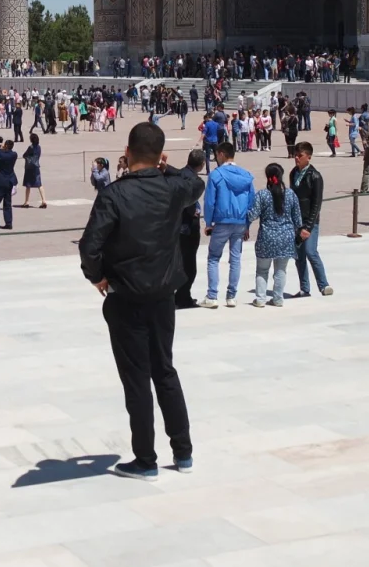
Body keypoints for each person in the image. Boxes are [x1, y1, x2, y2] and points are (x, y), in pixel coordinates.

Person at [78, 121, 206, 480]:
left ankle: (146, 459)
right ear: (159, 155)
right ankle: (183, 453)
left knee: (137, 379)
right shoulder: (170, 189)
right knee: (164, 370)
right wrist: (167, 168)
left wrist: (97, 275)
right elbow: (195, 183)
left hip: (127, 297)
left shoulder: (114, 195)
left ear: (127, 152)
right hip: (164, 296)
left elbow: (90, 247)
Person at [199, 142, 254, 308]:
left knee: (214, 258)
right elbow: (252, 202)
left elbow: (209, 201)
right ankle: (231, 296)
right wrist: (247, 224)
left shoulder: (216, 175)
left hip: (222, 222)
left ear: (221, 154)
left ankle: (212, 295)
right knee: (235, 259)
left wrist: (208, 223)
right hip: (240, 222)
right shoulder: (246, 175)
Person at [248, 163, 299, 307]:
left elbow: (252, 215)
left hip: (267, 237)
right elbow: (298, 219)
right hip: (286, 237)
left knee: (262, 270)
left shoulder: (262, 195)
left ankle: (260, 299)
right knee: (281, 270)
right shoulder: (290, 194)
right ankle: (278, 298)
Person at [287, 142, 332, 297]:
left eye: (300, 155)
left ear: (309, 157)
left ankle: (324, 285)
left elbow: (316, 204)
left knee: (310, 251)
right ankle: (304, 288)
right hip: (296, 221)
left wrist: (308, 227)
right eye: (296, 155)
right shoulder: (293, 173)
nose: (297, 158)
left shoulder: (315, 176)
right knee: (298, 256)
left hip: (309, 221)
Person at [174, 149, 206, 309]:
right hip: (186, 228)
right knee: (189, 266)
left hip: (174, 227)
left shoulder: (177, 174)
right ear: (202, 165)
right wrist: (191, 211)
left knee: (179, 263)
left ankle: (179, 296)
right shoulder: (195, 181)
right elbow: (185, 200)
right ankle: (183, 297)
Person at [21, 133, 47, 208]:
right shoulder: (39, 147)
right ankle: (44, 200)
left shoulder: (31, 147)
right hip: (36, 166)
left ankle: (26, 202)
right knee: (39, 184)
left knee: (28, 185)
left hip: (29, 168)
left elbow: (24, 155)